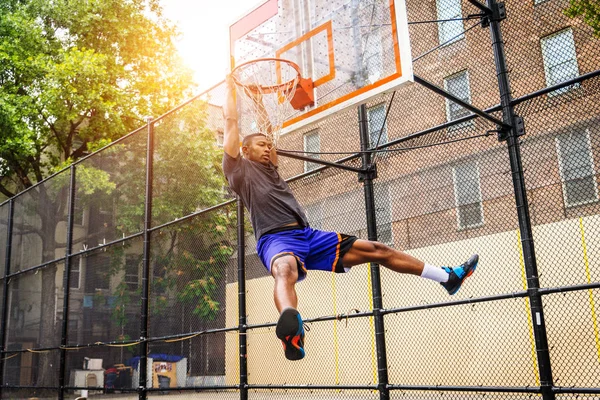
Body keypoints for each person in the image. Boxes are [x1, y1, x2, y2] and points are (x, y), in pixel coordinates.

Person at [221, 76, 478, 361]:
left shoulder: (271, 168)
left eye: (269, 144)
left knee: (379, 250)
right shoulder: (238, 170)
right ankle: (291, 330)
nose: (268, 147)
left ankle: (447, 277)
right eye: (260, 145)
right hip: (276, 238)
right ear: (245, 151)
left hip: (308, 236)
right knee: (285, 270)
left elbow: (266, 127)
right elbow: (231, 121)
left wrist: (258, 99)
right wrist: (231, 88)